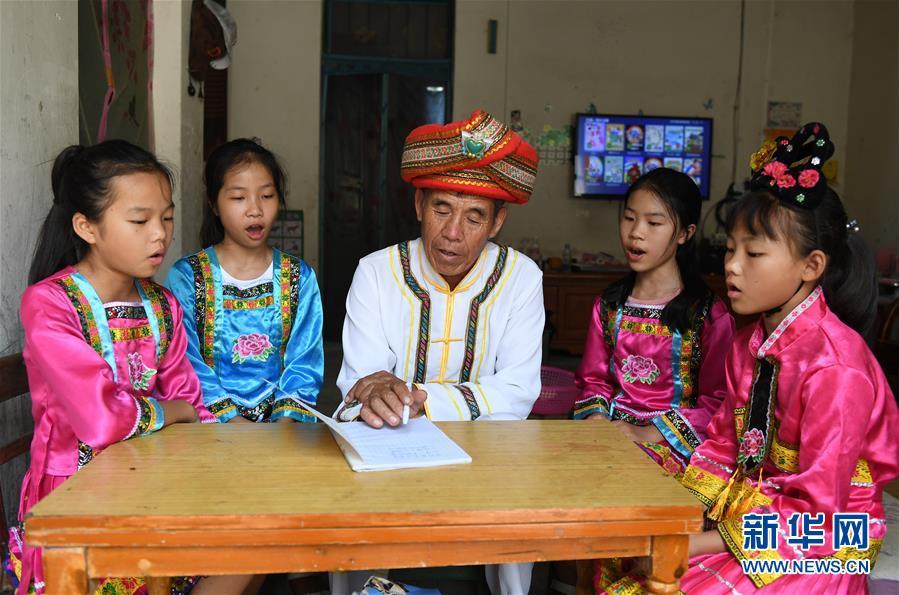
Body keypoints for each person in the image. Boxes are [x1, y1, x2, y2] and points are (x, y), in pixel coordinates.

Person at [603, 123, 899, 593]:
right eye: (730, 249)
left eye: (754, 253)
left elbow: (819, 513)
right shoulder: (750, 342)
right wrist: (681, 518)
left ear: (812, 265)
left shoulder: (836, 369)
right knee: (624, 552)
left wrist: (691, 543)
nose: (732, 266)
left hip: (817, 542)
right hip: (752, 507)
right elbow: (724, 442)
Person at [5, 141, 251, 594]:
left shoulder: (162, 304)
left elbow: (191, 403)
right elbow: (100, 420)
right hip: (76, 492)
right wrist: (173, 412)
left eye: (167, 218)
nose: (160, 235)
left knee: (254, 540)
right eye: (140, 221)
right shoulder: (51, 304)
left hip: (153, 477)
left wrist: (214, 438)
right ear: (86, 226)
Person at [333, 110, 542, 595]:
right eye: (442, 209)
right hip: (390, 435)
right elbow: (360, 384)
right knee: (349, 495)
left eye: (475, 217)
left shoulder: (522, 278)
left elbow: (518, 391)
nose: (453, 232)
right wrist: (377, 394)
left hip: (488, 440)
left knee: (518, 487)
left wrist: (422, 398)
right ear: (418, 204)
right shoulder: (376, 272)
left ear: (498, 221)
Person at [574, 167, 734, 478]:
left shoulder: (707, 314)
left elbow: (718, 401)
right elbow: (593, 380)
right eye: (629, 218)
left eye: (654, 223)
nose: (636, 232)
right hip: (611, 432)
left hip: (673, 444)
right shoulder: (609, 305)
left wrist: (649, 433)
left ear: (685, 233)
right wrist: (596, 419)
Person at [166, 138, 323, 424]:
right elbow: (187, 363)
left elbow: (304, 364)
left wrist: (282, 427)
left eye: (267, 195)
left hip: (282, 432)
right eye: (239, 198)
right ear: (214, 204)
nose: (255, 210)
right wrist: (234, 425)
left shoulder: (299, 277)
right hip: (210, 429)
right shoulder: (187, 277)